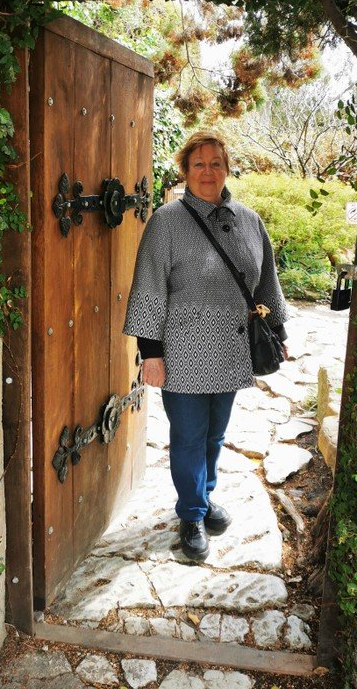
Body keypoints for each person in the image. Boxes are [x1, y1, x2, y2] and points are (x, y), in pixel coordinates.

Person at [123, 131, 288, 561]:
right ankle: (192, 514)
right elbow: (149, 288)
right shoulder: (166, 221)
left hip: (232, 348)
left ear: (227, 169)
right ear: (185, 171)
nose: (208, 171)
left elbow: (267, 281)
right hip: (184, 350)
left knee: (215, 433)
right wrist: (150, 353)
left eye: (216, 163)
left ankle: (204, 494)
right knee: (189, 436)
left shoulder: (249, 220)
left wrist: (278, 331)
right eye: (199, 164)